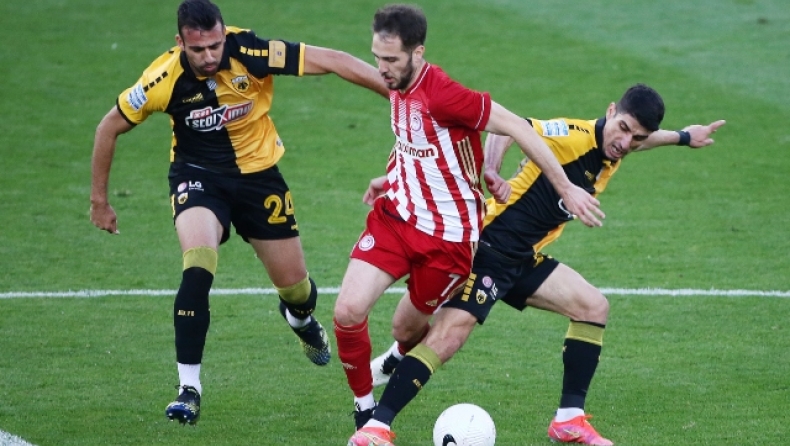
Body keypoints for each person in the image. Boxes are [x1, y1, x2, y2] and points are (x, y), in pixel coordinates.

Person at [353, 84, 726, 445]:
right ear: (611, 111)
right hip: (489, 246)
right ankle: (376, 428)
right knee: (447, 335)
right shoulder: (573, 137)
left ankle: (568, 420)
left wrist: (683, 137)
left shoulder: (620, 145)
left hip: (522, 256)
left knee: (592, 306)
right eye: (624, 128)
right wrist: (492, 170)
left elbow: (643, 139)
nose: (626, 143)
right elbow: (510, 127)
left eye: (637, 138)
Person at [89, 0, 389, 425]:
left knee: (298, 291)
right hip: (198, 179)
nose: (209, 56)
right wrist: (99, 202)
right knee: (198, 267)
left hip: (260, 179)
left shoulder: (250, 51)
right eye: (198, 49)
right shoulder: (162, 78)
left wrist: (400, 95)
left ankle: (299, 319)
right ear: (180, 43)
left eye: (215, 45)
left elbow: (334, 60)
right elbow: (108, 127)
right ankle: (188, 389)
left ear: (223, 34)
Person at [337, 5, 604, 445]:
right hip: (398, 216)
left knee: (407, 329)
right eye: (377, 58)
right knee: (348, 311)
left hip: (449, 239)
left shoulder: (445, 95)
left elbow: (517, 126)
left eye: (391, 60)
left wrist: (566, 188)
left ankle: (395, 362)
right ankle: (368, 417)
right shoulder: (397, 84)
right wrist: (395, 176)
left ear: (417, 53)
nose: (381, 69)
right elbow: (416, 141)